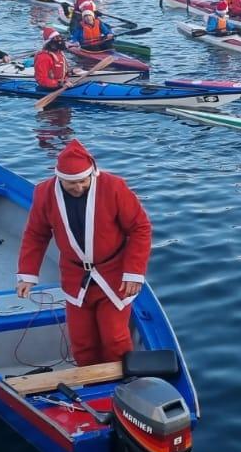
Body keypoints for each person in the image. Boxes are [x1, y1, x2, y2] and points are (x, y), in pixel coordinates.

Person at [16, 139, 153, 367]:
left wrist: (134, 272)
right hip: (75, 277)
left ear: (92, 174)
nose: (78, 187)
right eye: (71, 183)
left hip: (114, 276)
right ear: (59, 178)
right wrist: (27, 275)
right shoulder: (44, 192)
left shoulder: (115, 187)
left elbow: (141, 228)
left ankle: (123, 382)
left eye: (83, 181)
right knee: (81, 341)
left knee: (115, 338)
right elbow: (36, 234)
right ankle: (90, 381)